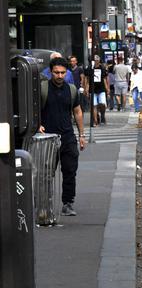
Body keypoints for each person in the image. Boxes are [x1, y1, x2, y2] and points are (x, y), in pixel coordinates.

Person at [39, 56, 86, 216]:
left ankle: (68, 203)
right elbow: (34, 111)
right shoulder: (43, 88)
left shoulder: (71, 90)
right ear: (50, 72)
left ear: (66, 73)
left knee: (70, 171)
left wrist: (82, 134)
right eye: (56, 73)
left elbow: (77, 111)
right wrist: (37, 125)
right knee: (46, 174)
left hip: (67, 137)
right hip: (47, 138)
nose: (59, 76)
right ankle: (44, 206)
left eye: (62, 73)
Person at [90, 53, 110, 125]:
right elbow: (87, 79)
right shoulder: (90, 68)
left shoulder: (102, 68)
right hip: (92, 89)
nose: (96, 61)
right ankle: (95, 120)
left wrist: (107, 88)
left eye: (97, 60)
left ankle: (102, 115)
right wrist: (86, 88)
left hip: (101, 88)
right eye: (95, 60)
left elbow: (105, 78)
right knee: (94, 105)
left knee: (102, 104)